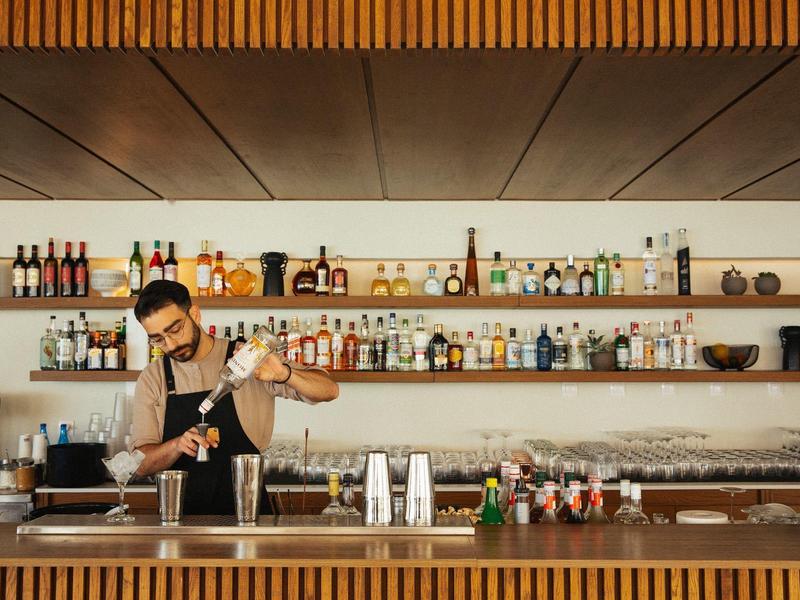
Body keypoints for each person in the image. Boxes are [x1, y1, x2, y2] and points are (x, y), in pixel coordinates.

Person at [130, 280, 338, 515]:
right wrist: (177, 445)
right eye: (157, 339)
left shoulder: (246, 357)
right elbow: (140, 465)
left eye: (175, 330)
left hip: (250, 515)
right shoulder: (154, 377)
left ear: (195, 314)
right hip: (178, 522)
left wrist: (283, 374)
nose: (170, 345)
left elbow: (329, 390)